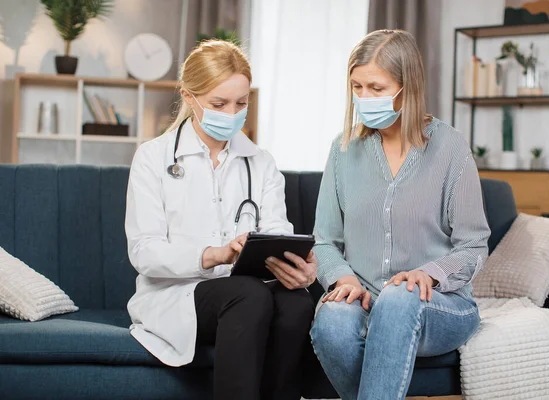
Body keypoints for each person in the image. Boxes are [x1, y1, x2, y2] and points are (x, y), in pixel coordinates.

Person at [125, 40, 316, 400]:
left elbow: (276, 232)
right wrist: (216, 254)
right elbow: (144, 252)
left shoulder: (260, 162)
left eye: (241, 103)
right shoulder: (153, 158)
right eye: (218, 104)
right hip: (176, 295)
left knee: (296, 302)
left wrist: (300, 267)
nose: (231, 113)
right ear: (189, 96)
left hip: (246, 293)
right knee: (247, 294)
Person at [309, 29, 491, 400]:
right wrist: (343, 278)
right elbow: (325, 240)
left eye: (376, 88)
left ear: (407, 87)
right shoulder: (343, 150)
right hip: (364, 298)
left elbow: (474, 246)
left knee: (399, 298)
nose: (363, 98)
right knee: (331, 324)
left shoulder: (450, 147)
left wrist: (429, 274)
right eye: (356, 87)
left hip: (440, 306)